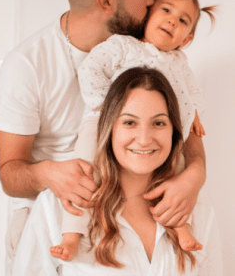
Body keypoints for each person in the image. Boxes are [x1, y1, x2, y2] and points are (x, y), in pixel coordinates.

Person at [0, 0, 207, 276]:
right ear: (106, 1)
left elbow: (181, 127)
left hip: (132, 209)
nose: (154, 0)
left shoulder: (149, 43)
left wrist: (195, 176)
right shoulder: (27, 66)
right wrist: (50, 174)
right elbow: (9, 173)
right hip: (58, 215)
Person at [53, 0, 216, 261]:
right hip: (102, 120)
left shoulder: (179, 64)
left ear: (187, 39)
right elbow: (91, 69)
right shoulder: (122, 46)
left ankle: (180, 227)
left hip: (156, 133)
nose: (172, 21)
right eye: (166, 11)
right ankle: (71, 234)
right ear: (148, 14)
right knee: (85, 172)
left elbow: (192, 96)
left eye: (183, 21)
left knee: (175, 173)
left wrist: (194, 115)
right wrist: (107, 108)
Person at [13, 67, 222, 274]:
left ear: (174, 133)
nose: (144, 139)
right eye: (130, 122)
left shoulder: (196, 209)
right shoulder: (56, 207)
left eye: (158, 123)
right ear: (109, 129)